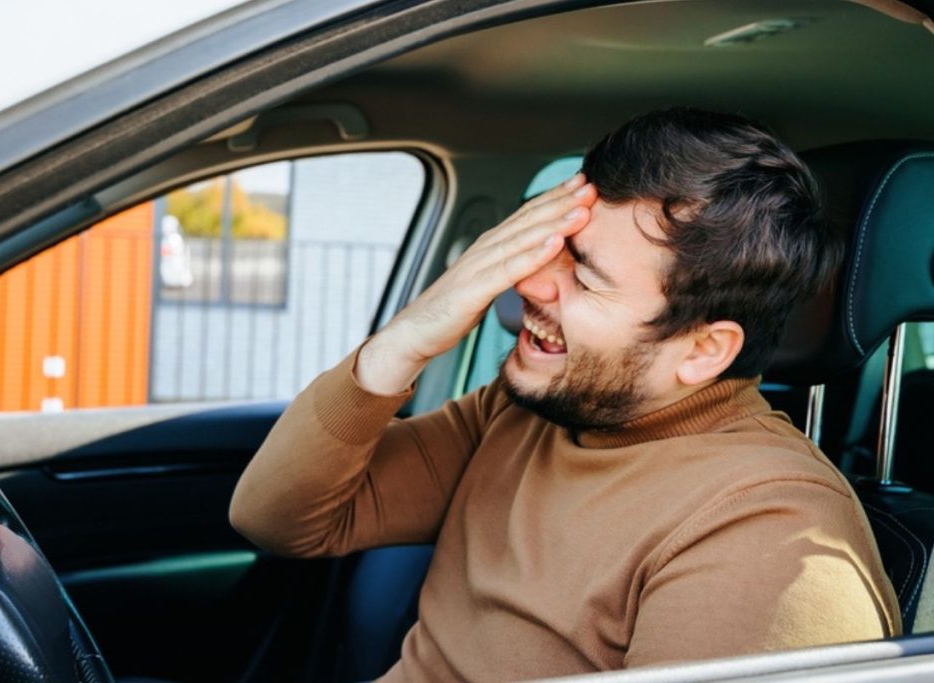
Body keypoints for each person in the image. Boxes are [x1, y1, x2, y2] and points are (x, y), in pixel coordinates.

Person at [229, 107, 901, 681]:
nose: (530, 285)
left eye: (584, 274)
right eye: (551, 247)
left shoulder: (768, 539)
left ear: (702, 349)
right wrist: (404, 340)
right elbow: (281, 519)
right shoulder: (524, 410)